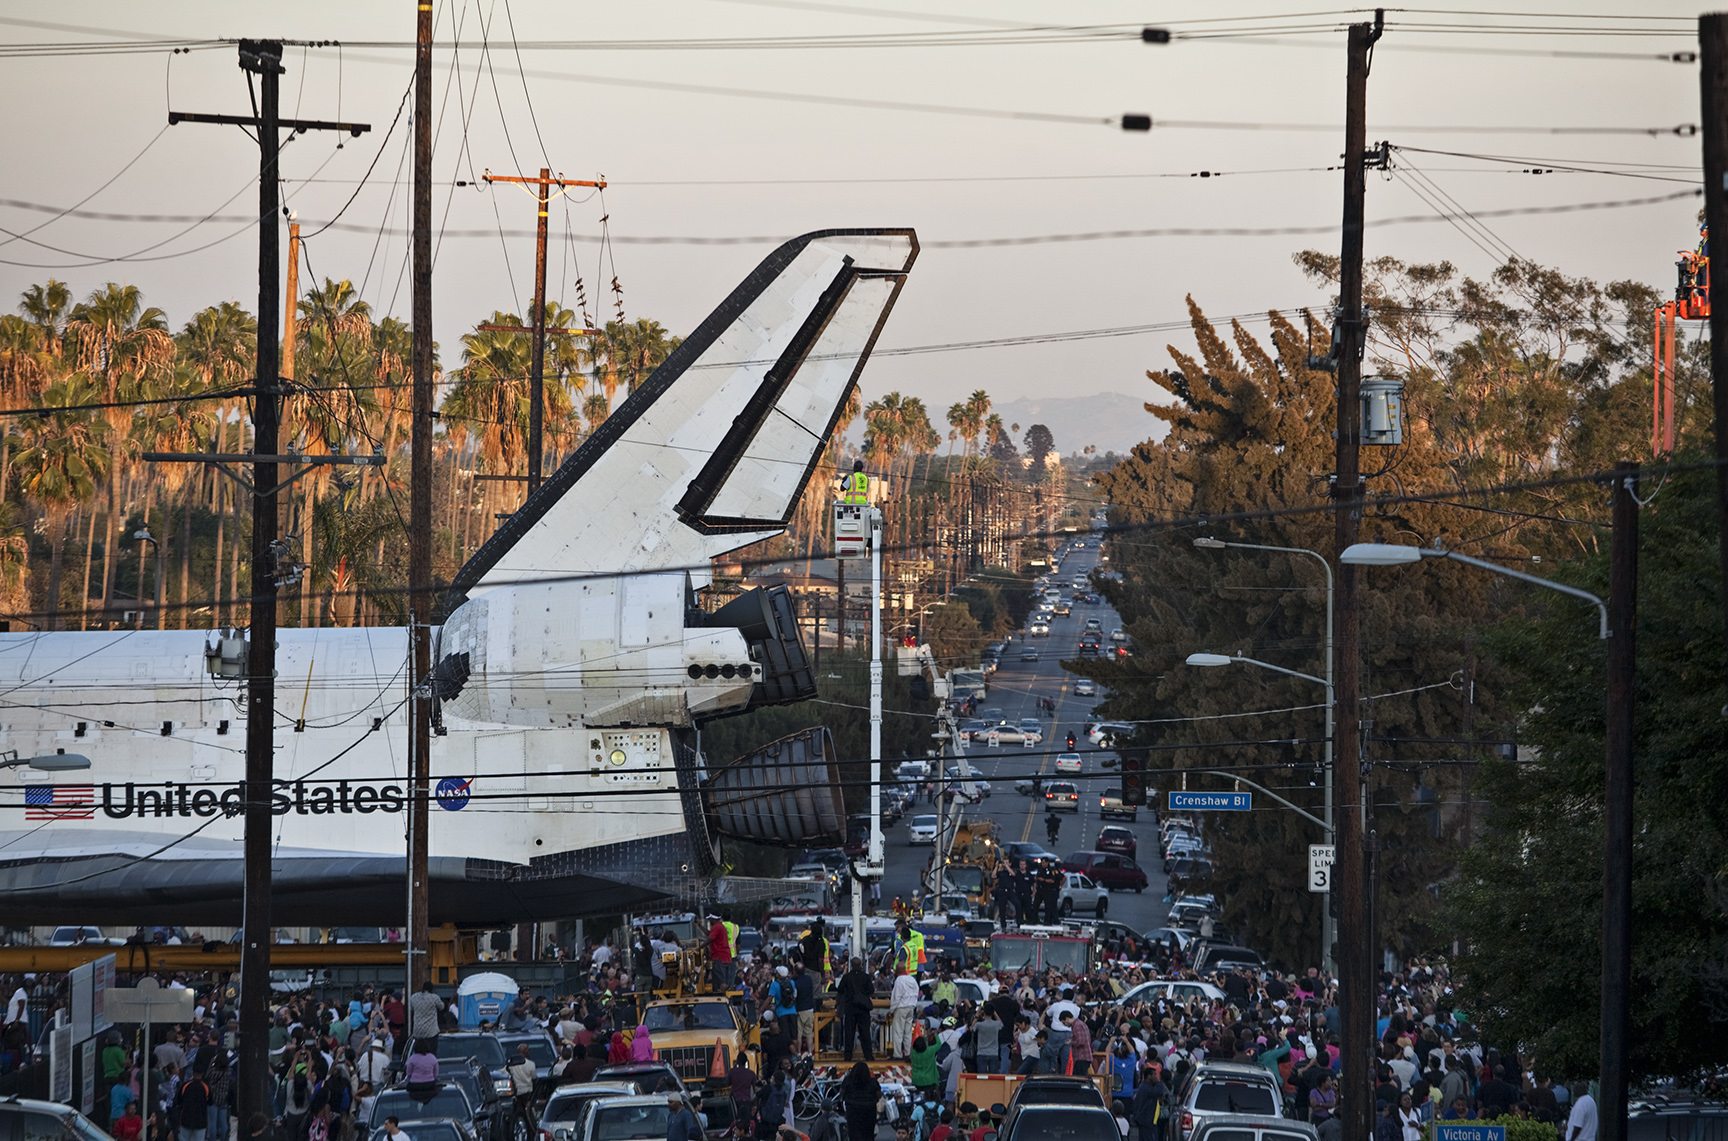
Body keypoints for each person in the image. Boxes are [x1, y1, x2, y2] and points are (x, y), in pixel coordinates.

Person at [837, 958, 876, 1063]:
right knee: (865, 1033)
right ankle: (868, 1055)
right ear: (861, 965)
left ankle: (848, 1056)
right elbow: (871, 990)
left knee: (849, 1033)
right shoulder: (866, 977)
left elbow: (840, 990)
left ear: (850, 965)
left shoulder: (847, 977)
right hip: (863, 1009)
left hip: (850, 1008)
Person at [839, 1061, 881, 1141]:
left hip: (852, 1110)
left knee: (854, 1133)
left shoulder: (848, 1081)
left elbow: (841, 1092)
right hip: (869, 1110)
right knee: (868, 1133)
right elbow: (878, 1095)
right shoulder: (872, 1082)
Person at [889, 970, 920, 1059]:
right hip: (911, 1007)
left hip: (901, 1008)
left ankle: (897, 1054)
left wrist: (891, 1010)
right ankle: (907, 1053)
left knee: (898, 1031)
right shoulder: (912, 980)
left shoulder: (899, 980)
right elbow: (916, 993)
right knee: (908, 1032)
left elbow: (896, 997)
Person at [508, 1044, 538, 1130]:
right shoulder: (531, 1064)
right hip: (528, 1094)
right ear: (526, 1052)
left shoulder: (511, 1065)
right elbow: (534, 1079)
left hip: (516, 1094)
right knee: (530, 1116)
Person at [707, 914, 739, 992]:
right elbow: (738, 944)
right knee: (728, 979)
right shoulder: (735, 927)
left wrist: (699, 948)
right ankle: (729, 990)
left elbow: (710, 938)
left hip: (720, 956)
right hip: (731, 956)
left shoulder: (718, 926)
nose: (710, 921)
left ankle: (724, 989)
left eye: (711, 919)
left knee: (721, 980)